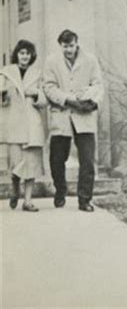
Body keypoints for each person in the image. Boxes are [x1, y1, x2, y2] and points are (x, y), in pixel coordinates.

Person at [43, 29, 104, 212]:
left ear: (77, 43)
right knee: (56, 158)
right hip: (61, 116)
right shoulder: (52, 61)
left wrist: (90, 101)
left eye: (71, 45)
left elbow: (98, 84)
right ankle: (60, 190)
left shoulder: (90, 60)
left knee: (87, 159)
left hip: (84, 116)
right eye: (65, 46)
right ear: (60, 45)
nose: (68, 50)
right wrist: (68, 99)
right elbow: (48, 87)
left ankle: (84, 199)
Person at [1, 40, 47, 212]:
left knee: (32, 164)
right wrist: (4, 95)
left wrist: (36, 94)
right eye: (22, 53)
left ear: (31, 56)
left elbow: (45, 99)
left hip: (32, 123)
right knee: (16, 164)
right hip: (14, 123)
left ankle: (27, 201)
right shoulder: (6, 73)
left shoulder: (37, 73)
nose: (25, 56)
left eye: (28, 53)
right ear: (17, 55)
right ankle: (15, 190)